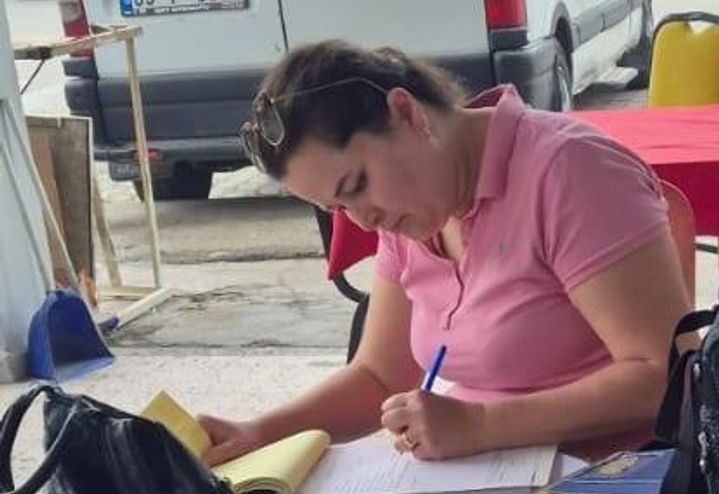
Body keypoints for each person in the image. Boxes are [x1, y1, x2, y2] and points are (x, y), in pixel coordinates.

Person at [199, 40, 690, 465]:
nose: (363, 220)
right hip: (481, 483)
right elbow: (379, 376)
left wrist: (481, 424)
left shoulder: (570, 170)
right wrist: (260, 433)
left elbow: (665, 376)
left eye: (358, 184)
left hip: (612, 484)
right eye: (339, 207)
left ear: (408, 113)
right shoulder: (416, 209)